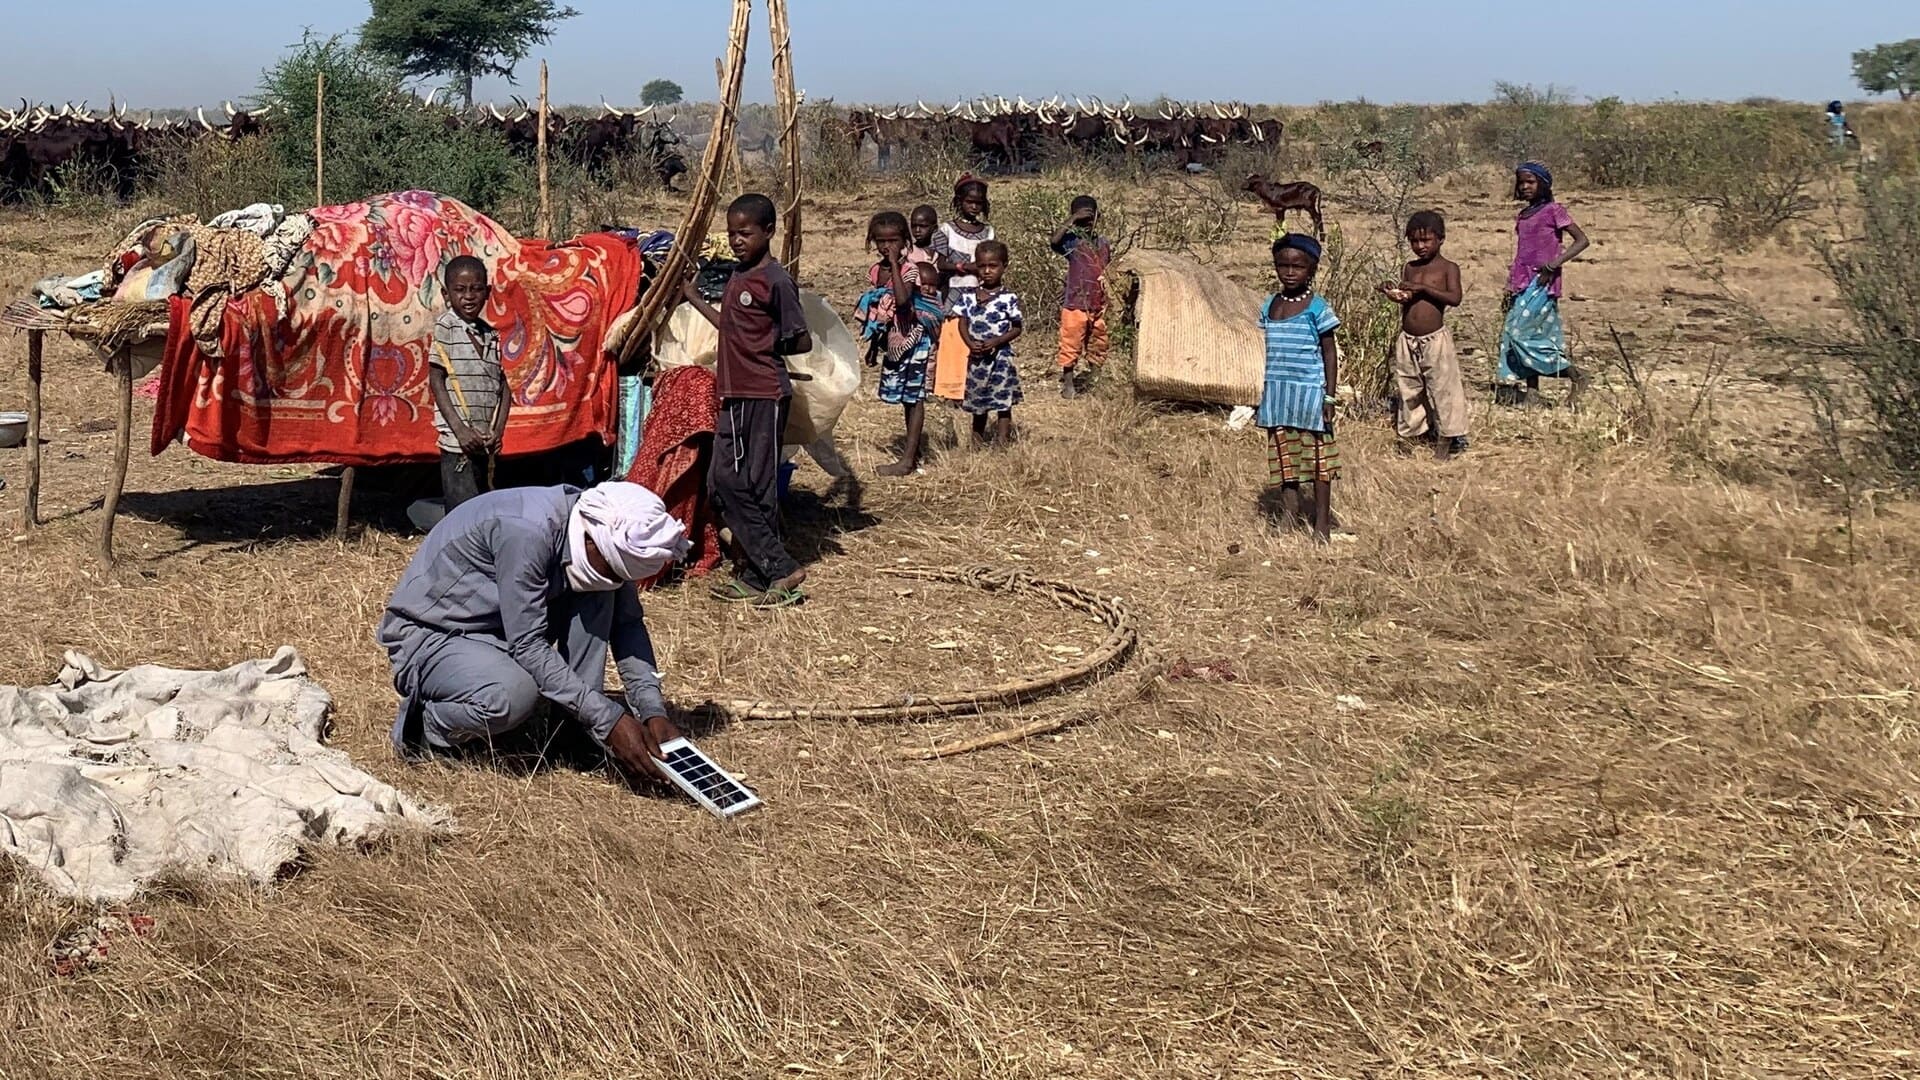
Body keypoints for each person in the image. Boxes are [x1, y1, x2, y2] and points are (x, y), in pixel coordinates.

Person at [377, 482, 690, 779]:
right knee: (512, 695)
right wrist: (608, 721)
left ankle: (569, 734)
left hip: (502, 628)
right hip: (436, 634)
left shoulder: (601, 534)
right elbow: (528, 645)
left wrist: (652, 711)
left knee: (600, 594)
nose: (613, 579)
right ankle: (427, 728)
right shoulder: (527, 531)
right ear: (592, 540)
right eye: (611, 569)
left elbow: (627, 623)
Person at [680, 193, 813, 607]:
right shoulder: (738, 276)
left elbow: (801, 337)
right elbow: (730, 328)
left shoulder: (775, 280)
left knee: (753, 486)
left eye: (746, 233)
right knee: (722, 484)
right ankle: (761, 571)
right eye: (732, 233)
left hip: (763, 392)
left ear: (768, 231)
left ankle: (776, 568)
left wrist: (761, 345)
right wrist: (693, 298)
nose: (737, 240)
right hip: (734, 392)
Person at [1258, 233, 1340, 543]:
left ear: (1312, 269)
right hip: (1278, 395)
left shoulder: (1317, 307)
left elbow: (1329, 353)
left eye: (1298, 266)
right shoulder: (1270, 305)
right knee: (1285, 460)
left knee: (1319, 461)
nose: (1290, 272)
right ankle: (1289, 515)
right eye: (1283, 266)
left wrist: (1329, 395)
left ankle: (1321, 523)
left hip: (1309, 394)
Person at [857, 211, 945, 476]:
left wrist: (895, 263)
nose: (887, 247)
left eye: (894, 241)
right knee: (905, 397)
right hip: (895, 341)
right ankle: (912, 452)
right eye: (881, 241)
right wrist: (873, 346)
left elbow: (903, 300)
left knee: (914, 398)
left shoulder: (909, 269)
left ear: (904, 240)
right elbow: (879, 311)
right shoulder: (875, 271)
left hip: (915, 339)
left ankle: (907, 461)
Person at [1498, 161, 1590, 408]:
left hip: (1543, 282)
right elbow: (1521, 254)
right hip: (1522, 282)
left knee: (1520, 334)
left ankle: (1575, 375)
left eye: (1531, 182)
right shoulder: (1523, 216)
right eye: (1522, 182)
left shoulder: (1554, 210)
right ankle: (1532, 393)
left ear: (1543, 184)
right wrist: (1509, 286)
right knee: (1522, 334)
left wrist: (1554, 264)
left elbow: (1582, 240)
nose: (1525, 187)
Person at [1379, 209, 1468, 460]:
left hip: (1435, 339)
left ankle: (1447, 438)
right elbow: (1408, 298)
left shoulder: (1448, 268)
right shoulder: (1410, 267)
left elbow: (1455, 298)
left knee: (1443, 388)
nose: (1420, 246)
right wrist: (1393, 293)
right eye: (1414, 241)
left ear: (1441, 239)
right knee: (1409, 387)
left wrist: (1423, 288)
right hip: (1408, 339)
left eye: (1426, 240)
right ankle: (1416, 434)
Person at [429, 256, 510, 510]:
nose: (469, 297)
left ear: (486, 293)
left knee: (482, 508)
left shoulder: (491, 334)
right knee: (462, 513)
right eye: (460, 290)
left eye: (476, 289)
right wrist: (460, 430)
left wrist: (498, 430)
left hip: (484, 442)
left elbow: (504, 386)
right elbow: (437, 380)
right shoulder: (446, 327)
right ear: (446, 293)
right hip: (458, 442)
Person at [928, 176, 995, 405]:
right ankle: (950, 391)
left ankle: (972, 388)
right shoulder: (947, 230)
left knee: (977, 340)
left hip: (979, 294)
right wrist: (965, 266)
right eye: (969, 202)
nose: (974, 206)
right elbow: (940, 264)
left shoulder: (988, 232)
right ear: (960, 201)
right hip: (955, 294)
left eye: (978, 202)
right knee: (953, 343)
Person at [954, 240, 1024, 448]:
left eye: (992, 266)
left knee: (1003, 401)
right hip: (976, 359)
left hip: (1000, 359)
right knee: (978, 402)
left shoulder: (1008, 298)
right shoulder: (968, 296)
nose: (987, 271)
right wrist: (969, 343)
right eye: (982, 266)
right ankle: (976, 442)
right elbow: (962, 323)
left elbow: (1017, 327)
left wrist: (997, 341)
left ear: (1004, 266)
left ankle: (1002, 442)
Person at [1050, 194, 1113, 399]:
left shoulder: (1103, 243)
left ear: (1098, 218)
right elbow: (1054, 242)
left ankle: (1095, 379)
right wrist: (1072, 220)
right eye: (1081, 220)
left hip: (1098, 303)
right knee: (1071, 342)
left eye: (1090, 219)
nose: (1087, 224)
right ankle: (1068, 383)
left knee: (1099, 341)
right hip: (1075, 303)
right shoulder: (1071, 243)